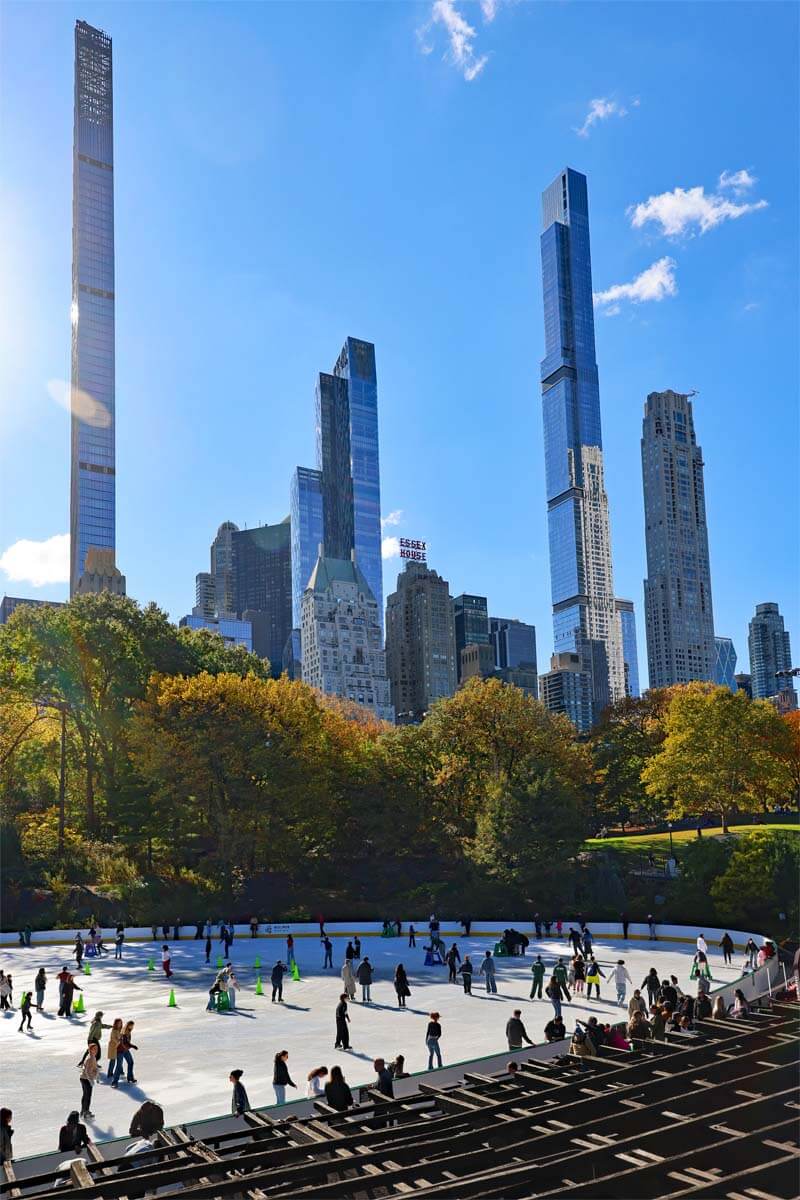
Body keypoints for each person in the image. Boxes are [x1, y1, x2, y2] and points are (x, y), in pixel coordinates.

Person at [111, 1021, 137, 1087]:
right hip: (120, 1050)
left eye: (132, 1025)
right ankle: (114, 1082)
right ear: (128, 1025)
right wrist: (132, 1046)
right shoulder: (124, 1033)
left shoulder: (128, 1031)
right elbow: (125, 1043)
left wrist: (129, 1047)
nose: (132, 1027)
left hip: (125, 1050)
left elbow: (127, 1043)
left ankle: (130, 1078)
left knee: (131, 1062)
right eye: (131, 1025)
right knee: (119, 1066)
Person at [79, 1043, 99, 1119]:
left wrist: (96, 1076)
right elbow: (87, 1071)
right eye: (94, 1049)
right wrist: (90, 1080)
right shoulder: (90, 1058)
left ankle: (83, 1111)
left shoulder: (93, 1057)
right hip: (85, 1079)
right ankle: (85, 1112)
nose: (96, 1050)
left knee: (86, 1095)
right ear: (90, 1050)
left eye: (96, 1049)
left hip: (85, 1078)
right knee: (87, 1096)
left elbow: (94, 1068)